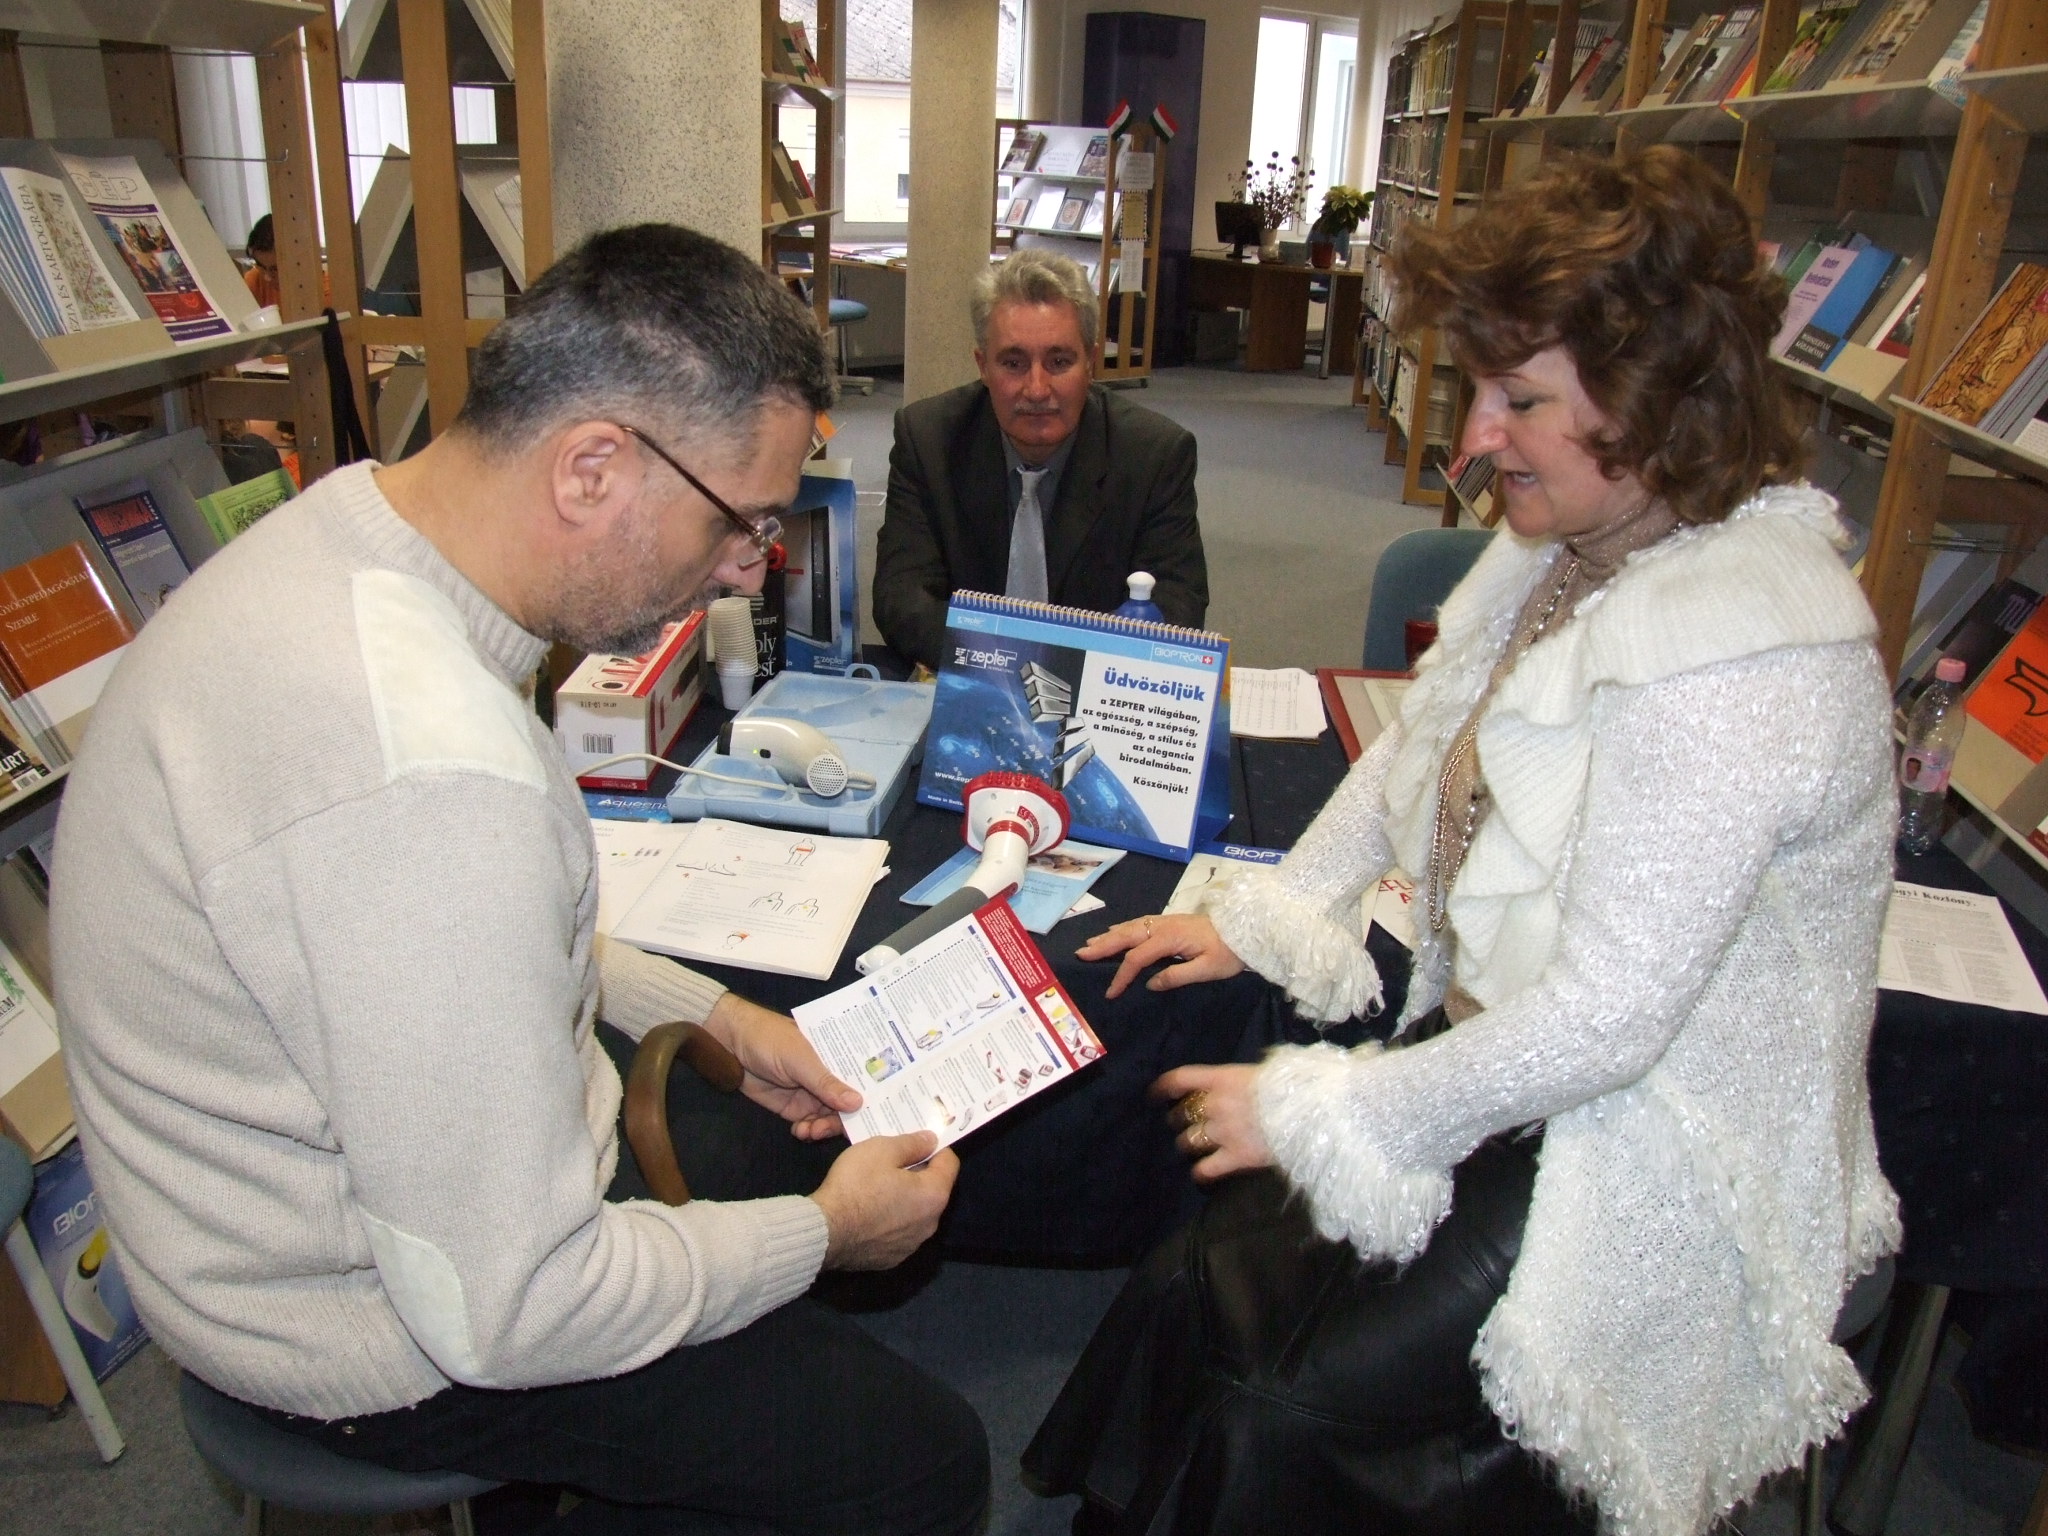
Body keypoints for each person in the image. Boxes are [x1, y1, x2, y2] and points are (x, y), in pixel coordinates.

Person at [53, 225, 987, 1535]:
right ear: (592, 467)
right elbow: (517, 1310)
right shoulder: (424, 779)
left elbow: (478, 944)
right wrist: (823, 1238)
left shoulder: (355, 539)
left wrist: (720, 1018)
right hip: (369, 1333)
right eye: (741, 520)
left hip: (317, 1221)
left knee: (764, 1141)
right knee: (918, 1463)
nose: (749, 566)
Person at [1025, 147, 1901, 1536]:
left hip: (1657, 1140)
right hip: (1521, 1063)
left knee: (1280, 1398)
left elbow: (1611, 1022)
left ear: (1660, 399)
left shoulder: (1741, 655)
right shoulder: (1575, 546)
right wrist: (1266, 912)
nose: (1476, 436)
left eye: (1521, 400)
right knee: (1202, 1270)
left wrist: (1327, 1111)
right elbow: (1419, 748)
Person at [873, 248, 1208, 670]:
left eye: (1059, 362)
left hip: (1093, 689)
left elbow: (1177, 604)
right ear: (983, 365)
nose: (1036, 389)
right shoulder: (928, 440)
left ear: (1090, 363)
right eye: (1013, 363)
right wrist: (1004, 661)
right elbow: (902, 599)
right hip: (969, 678)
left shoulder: (1155, 454)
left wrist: (1060, 667)